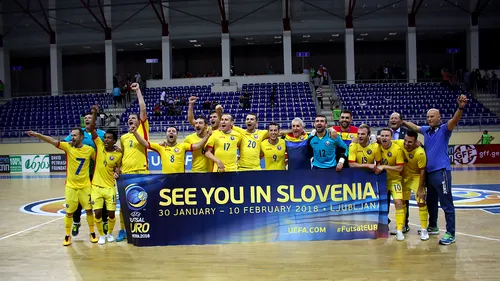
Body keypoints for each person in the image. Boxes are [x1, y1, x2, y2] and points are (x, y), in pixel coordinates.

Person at [402, 94, 468, 245]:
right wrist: (402, 122)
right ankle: (433, 226)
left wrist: (460, 108)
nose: (429, 119)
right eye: (428, 116)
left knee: (446, 202)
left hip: (441, 171)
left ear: (439, 118)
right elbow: (415, 127)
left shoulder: (445, 129)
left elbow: (454, 120)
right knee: (431, 201)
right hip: (429, 174)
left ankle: (451, 233)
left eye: (432, 116)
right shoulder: (427, 130)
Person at [27, 129, 97, 246]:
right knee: (69, 212)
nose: (72, 137)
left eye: (74, 135)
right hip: (71, 187)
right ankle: (67, 235)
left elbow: (99, 161)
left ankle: (92, 232)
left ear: (82, 137)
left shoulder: (90, 150)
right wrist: (38, 135)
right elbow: (52, 141)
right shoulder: (67, 147)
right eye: (71, 135)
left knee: (89, 210)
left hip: (85, 186)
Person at [62, 112, 107, 238]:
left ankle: (104, 221)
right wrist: (70, 142)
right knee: (77, 200)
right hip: (81, 174)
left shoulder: (102, 134)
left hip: (97, 173)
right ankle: (76, 222)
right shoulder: (78, 134)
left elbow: (108, 148)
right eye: (85, 118)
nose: (87, 119)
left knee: (100, 197)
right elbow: (65, 142)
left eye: (90, 118)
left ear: (95, 121)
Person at [117, 82, 148, 242]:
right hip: (126, 174)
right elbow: (120, 155)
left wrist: (137, 91)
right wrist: (117, 169)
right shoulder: (123, 137)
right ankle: (123, 230)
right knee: (124, 205)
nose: (130, 120)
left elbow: (142, 108)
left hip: (142, 172)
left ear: (139, 121)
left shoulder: (143, 129)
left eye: (133, 118)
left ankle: (143, 228)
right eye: (128, 119)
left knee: (142, 202)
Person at [88, 105, 122, 244]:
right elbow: (91, 129)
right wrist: (94, 113)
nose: (106, 140)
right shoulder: (99, 146)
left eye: (109, 138)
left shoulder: (118, 153)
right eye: (105, 138)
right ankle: (101, 235)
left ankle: (109, 234)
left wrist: (117, 172)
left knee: (111, 214)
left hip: (110, 188)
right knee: (97, 213)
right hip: (96, 187)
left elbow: (118, 167)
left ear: (114, 141)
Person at [392, 131, 429, 241]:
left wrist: (421, 188)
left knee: (421, 202)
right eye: (406, 141)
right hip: (403, 178)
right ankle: (401, 228)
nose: (406, 144)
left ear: (416, 142)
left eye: (410, 142)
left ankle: (424, 230)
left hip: (416, 177)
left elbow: (423, 171)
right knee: (401, 203)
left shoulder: (420, 153)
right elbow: (385, 140)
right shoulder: (400, 143)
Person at [378, 112, 410, 233]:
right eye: (391, 118)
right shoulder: (380, 136)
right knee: (383, 201)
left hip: (401, 173)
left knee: (402, 201)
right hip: (384, 177)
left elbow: (414, 143)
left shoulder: (405, 133)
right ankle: (384, 223)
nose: (393, 120)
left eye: (396, 118)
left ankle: (403, 225)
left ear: (401, 120)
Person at [132, 126, 210, 174]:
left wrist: (207, 135)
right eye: (169, 131)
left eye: (173, 131)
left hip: (180, 179)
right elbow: (145, 143)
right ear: (166, 134)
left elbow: (198, 146)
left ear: (177, 134)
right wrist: (135, 132)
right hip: (166, 180)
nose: (171, 133)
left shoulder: (183, 146)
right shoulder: (160, 147)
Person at [376, 128, 405, 241]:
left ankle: (399, 230)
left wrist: (384, 167)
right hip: (381, 180)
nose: (384, 138)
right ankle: (382, 228)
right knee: (381, 205)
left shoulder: (397, 149)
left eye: (387, 135)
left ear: (391, 137)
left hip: (395, 180)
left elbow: (400, 168)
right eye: (382, 136)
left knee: (398, 202)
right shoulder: (376, 147)